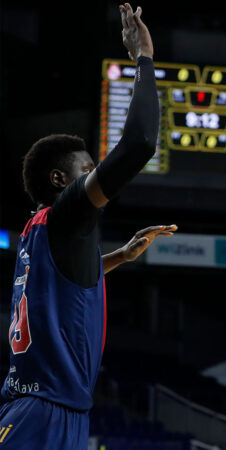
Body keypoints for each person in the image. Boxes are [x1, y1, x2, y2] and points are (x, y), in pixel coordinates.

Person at [0, 4, 172, 449]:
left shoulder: (36, 230)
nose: (95, 176)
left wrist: (118, 257)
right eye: (88, 170)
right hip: (46, 411)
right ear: (62, 181)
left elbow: (60, 284)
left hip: (40, 405)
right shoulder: (64, 213)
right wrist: (144, 58)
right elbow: (140, 144)